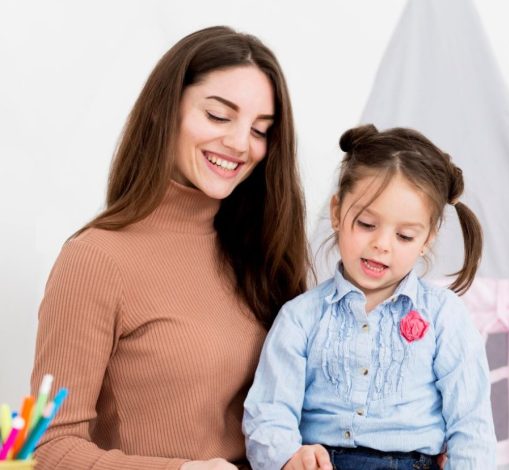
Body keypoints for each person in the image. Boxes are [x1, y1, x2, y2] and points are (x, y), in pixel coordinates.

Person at [29, 26, 309, 470]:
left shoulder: (263, 253)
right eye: (218, 116)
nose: (241, 144)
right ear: (166, 110)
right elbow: (41, 448)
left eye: (260, 129)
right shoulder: (95, 259)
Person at [243, 124, 497, 470]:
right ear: (337, 212)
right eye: (366, 224)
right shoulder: (300, 317)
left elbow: (471, 425)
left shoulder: (445, 316)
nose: (381, 244)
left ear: (427, 240)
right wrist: (289, 457)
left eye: (404, 236)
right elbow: (268, 411)